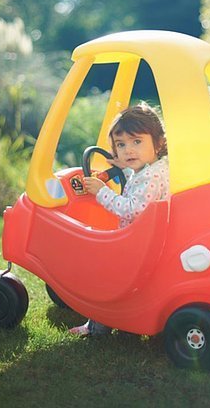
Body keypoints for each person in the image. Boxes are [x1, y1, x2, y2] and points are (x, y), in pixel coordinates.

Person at [69, 103, 169, 337]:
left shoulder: (151, 175)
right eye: (121, 145)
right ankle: (123, 322)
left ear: (159, 142)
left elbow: (133, 209)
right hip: (147, 241)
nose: (128, 151)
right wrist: (123, 170)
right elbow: (138, 184)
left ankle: (97, 326)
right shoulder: (154, 169)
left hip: (138, 247)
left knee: (103, 271)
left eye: (136, 142)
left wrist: (102, 191)